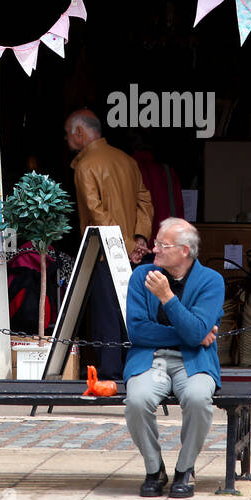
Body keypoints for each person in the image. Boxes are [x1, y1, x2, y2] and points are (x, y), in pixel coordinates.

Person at [123, 218, 224, 498]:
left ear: (184, 251)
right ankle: (154, 469)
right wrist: (192, 333)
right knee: (137, 400)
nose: (153, 249)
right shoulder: (141, 276)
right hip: (150, 357)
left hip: (194, 360)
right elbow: (138, 330)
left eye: (161, 245)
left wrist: (168, 298)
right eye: (155, 243)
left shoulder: (211, 281)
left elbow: (196, 334)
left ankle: (184, 469)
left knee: (198, 398)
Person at [65, 108, 154, 380]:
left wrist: (126, 244)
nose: (67, 139)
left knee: (106, 313)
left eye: (67, 134)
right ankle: (137, 369)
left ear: (80, 133)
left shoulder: (85, 165)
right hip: (131, 253)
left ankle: (111, 374)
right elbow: (145, 202)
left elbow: (95, 211)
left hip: (104, 253)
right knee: (133, 311)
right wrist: (139, 239)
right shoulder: (126, 161)